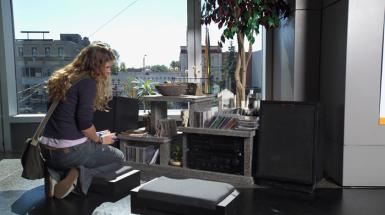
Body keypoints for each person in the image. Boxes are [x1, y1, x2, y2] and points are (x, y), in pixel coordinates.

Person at [40, 42, 125, 199]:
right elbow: (84, 124)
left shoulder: (64, 78)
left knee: (90, 143)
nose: (109, 72)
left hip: (47, 152)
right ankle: (78, 173)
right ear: (96, 65)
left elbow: (65, 119)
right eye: (107, 67)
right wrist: (100, 140)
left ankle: (55, 174)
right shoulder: (87, 82)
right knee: (119, 158)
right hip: (68, 154)